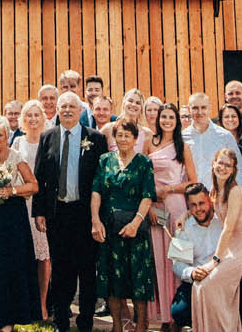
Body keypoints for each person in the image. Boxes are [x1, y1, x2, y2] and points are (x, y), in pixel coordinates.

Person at [35, 88, 107, 332]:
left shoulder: (95, 138)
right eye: (62, 107)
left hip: (86, 214)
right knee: (61, 269)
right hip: (58, 213)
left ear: (80, 111)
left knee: (87, 269)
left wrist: (99, 217)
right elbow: (40, 176)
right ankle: (60, 322)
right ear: (57, 110)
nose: (66, 111)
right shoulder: (48, 137)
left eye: (72, 107)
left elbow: (101, 178)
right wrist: (39, 212)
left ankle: (85, 321)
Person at [92, 119, 158, 332]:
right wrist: (95, 220)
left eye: (127, 135)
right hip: (109, 227)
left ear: (135, 139)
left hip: (135, 228)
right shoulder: (105, 160)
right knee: (112, 279)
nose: (122, 139)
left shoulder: (144, 163)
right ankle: (117, 326)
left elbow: (148, 196)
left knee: (138, 278)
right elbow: (96, 192)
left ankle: (141, 326)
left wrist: (135, 223)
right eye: (119, 135)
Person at [190, 150, 242, 332]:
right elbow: (206, 210)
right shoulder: (215, 190)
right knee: (200, 287)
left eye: (227, 165)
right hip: (231, 247)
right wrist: (184, 215)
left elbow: (228, 228)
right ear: (213, 163)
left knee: (207, 286)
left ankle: (226, 327)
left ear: (233, 170)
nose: (222, 168)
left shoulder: (235, 191)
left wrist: (214, 261)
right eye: (220, 163)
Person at [143, 101, 195, 326]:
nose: (166, 121)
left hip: (176, 208)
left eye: (170, 118)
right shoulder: (149, 143)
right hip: (154, 207)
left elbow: (193, 181)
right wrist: (152, 199)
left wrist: (170, 189)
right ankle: (163, 316)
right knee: (158, 259)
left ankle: (180, 313)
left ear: (176, 121)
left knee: (178, 258)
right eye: (163, 117)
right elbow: (142, 175)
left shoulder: (182, 147)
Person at [12, 100, 52, 313]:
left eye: (37, 115)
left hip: (42, 204)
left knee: (43, 256)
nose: (33, 119)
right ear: (23, 119)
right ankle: (25, 303)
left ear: (42, 118)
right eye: (29, 115)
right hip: (23, 202)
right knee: (24, 253)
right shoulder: (18, 142)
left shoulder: (48, 139)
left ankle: (43, 304)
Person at [169, 184, 219, 327]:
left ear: (210, 201)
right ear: (188, 208)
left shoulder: (223, 221)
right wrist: (192, 273)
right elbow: (177, 264)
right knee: (179, 311)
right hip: (197, 280)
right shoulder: (183, 227)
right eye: (193, 205)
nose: (198, 209)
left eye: (202, 203)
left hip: (221, 279)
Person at [179, 95, 239, 191]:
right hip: (190, 198)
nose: (200, 112)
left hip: (218, 196)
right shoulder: (182, 138)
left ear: (210, 109)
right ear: (189, 110)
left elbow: (239, 167)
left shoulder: (225, 136)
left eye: (203, 107)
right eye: (195, 108)